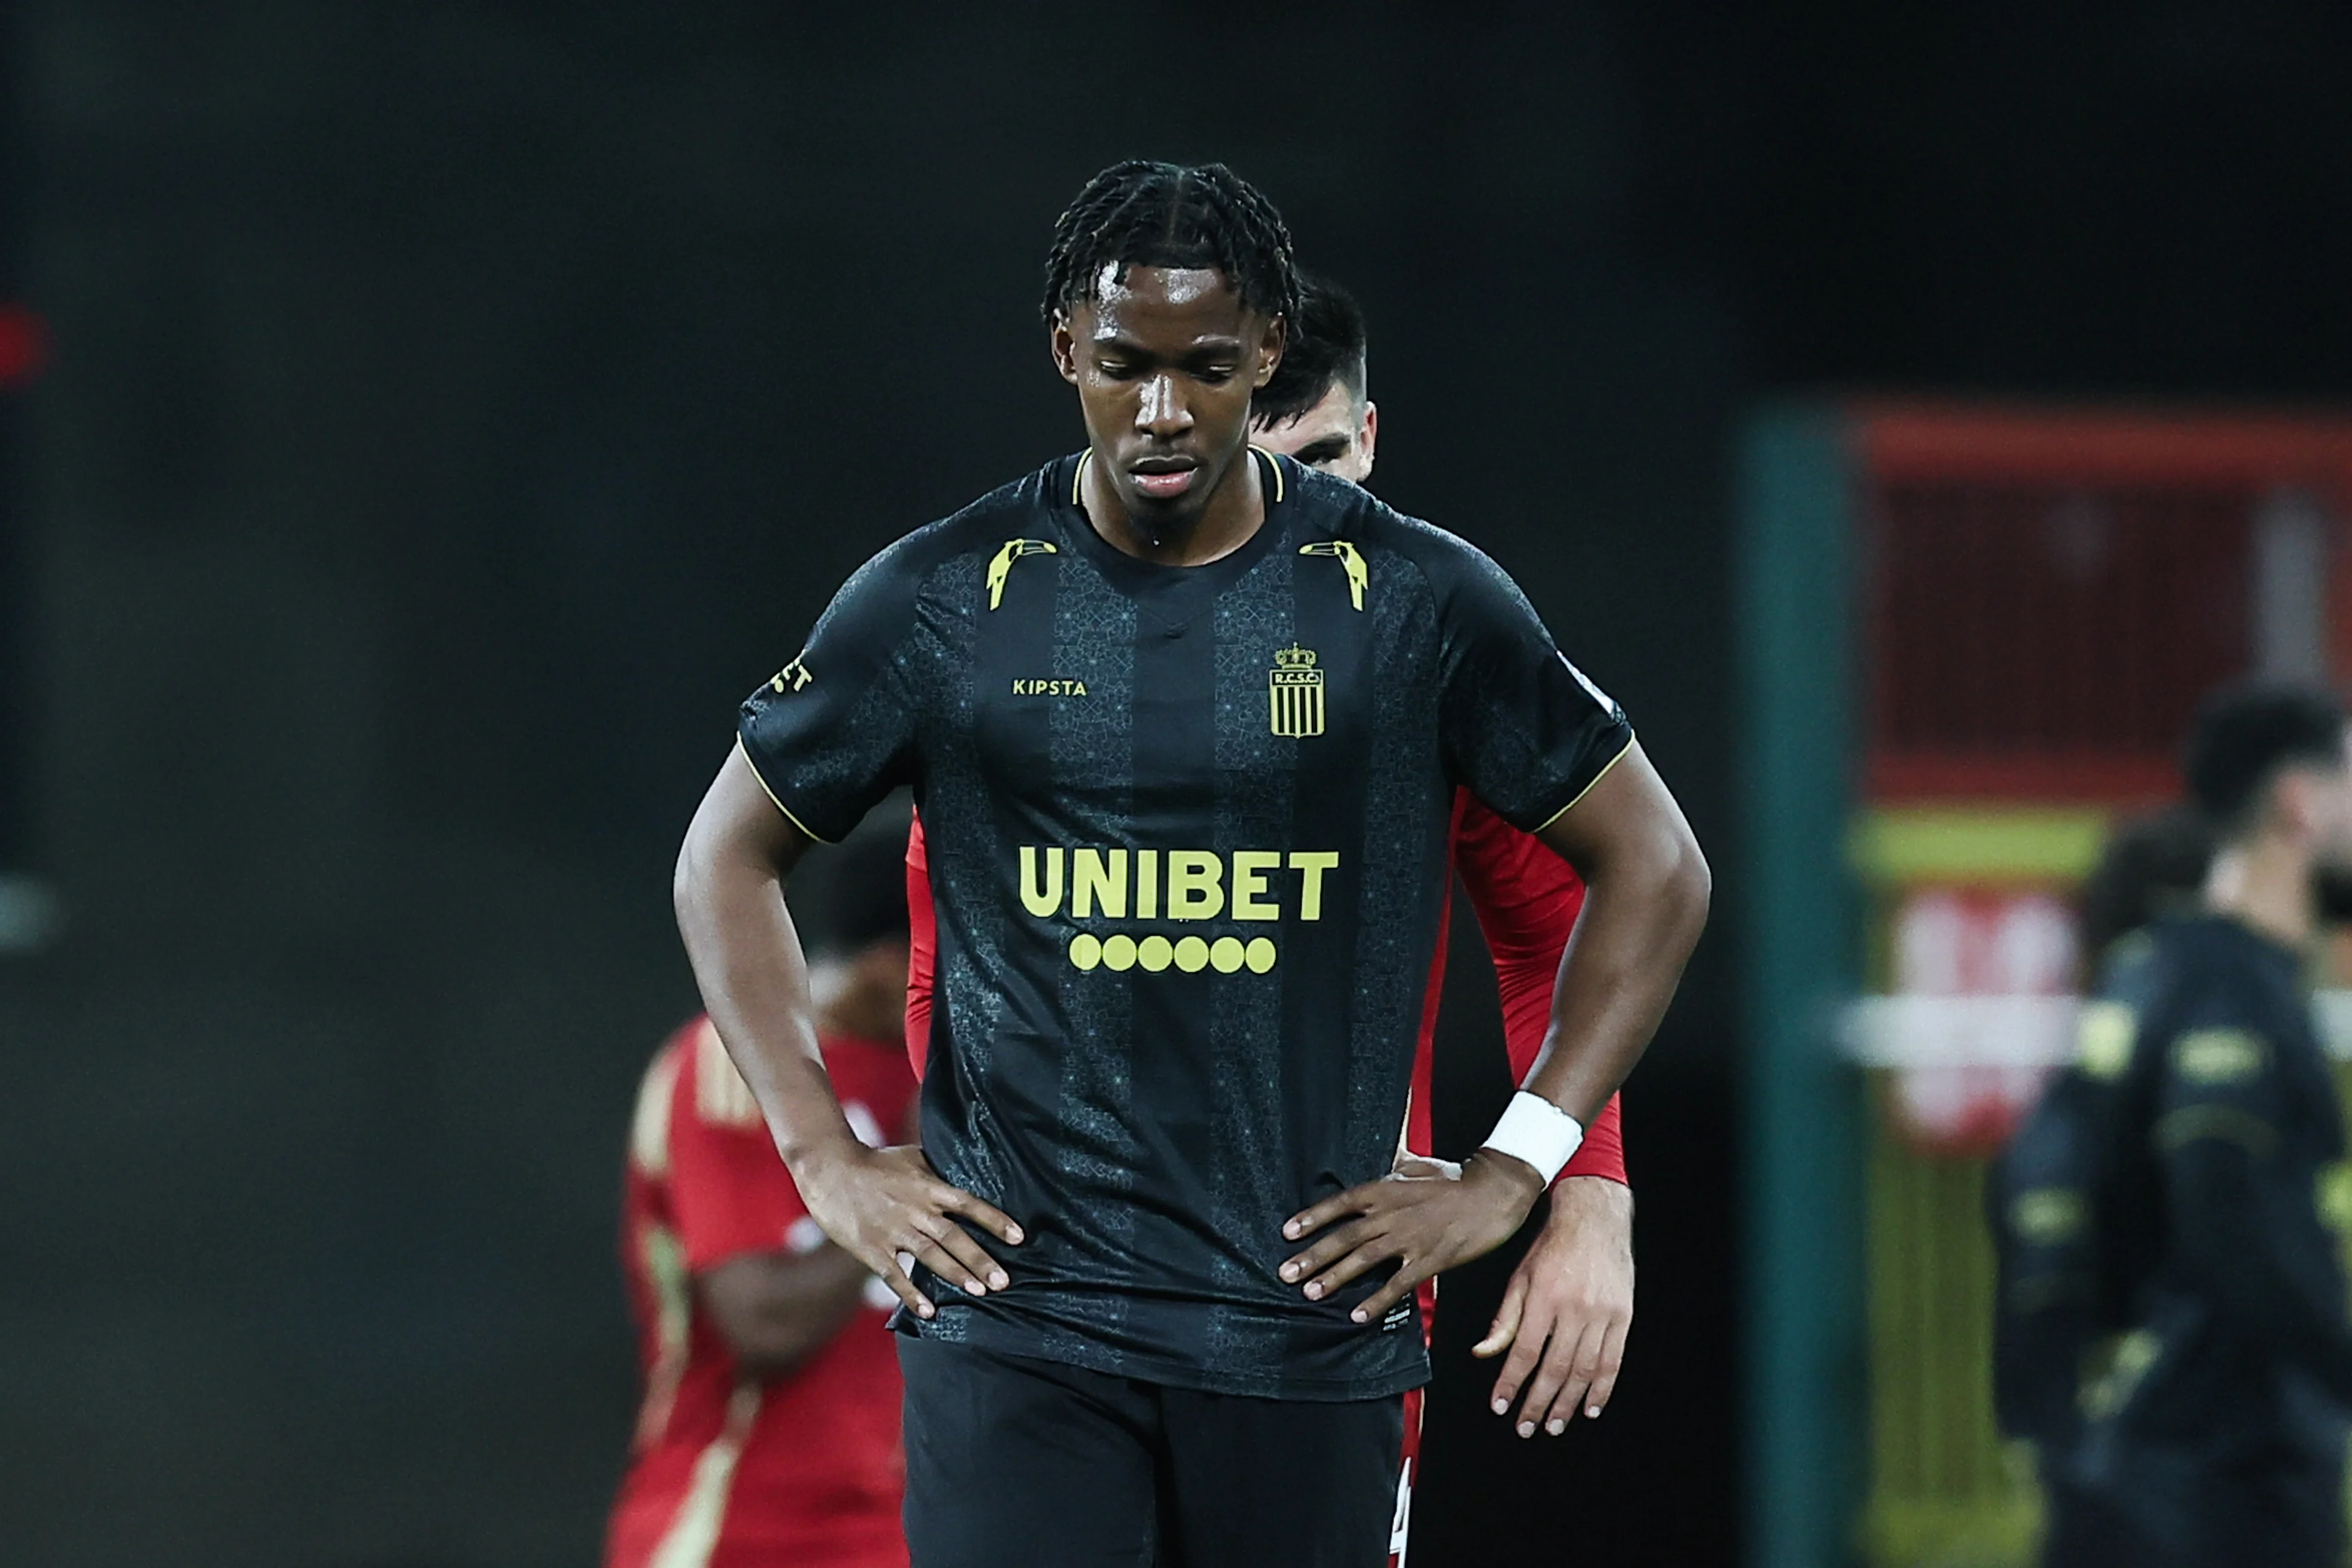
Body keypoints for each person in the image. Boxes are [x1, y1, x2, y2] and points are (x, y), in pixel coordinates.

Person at [674, 159, 1709, 1566]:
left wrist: (1520, 1170)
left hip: (1303, 1328)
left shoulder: (1412, 600)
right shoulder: (944, 595)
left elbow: (1651, 866)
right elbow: (724, 855)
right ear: (1063, 353)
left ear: (1268, 352)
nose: (1161, 409)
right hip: (1021, 1326)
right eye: (1123, 366)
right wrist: (822, 1156)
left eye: (1206, 368)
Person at [899, 271, 1638, 1563]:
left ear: (1374, 434)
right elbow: (942, 956)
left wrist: (1572, 1189)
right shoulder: (1048, 653)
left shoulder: (1419, 650)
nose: (1318, 511)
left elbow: (1565, 922)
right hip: (1070, 1300)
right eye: (1280, 467)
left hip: (1319, 1299)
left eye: (1336, 460)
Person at [1991, 684, 2352, 1568]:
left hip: (2155, 1487)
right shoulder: (2229, 988)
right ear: (2299, 802)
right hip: (2216, 1494)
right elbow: (2227, 1208)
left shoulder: (2174, 978)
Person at [609, 812, 919, 1568]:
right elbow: (763, 1321)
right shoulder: (739, 1066)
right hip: (747, 1528)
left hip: (907, 1535)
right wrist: (915, 1182)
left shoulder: (950, 1077)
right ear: (888, 964)